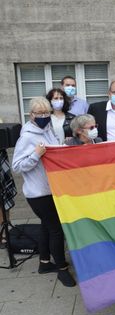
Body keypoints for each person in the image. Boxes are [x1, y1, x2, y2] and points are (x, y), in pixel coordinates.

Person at [12, 97, 76, 287]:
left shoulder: (47, 130)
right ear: (31, 115)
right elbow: (16, 166)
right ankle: (62, 269)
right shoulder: (27, 137)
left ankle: (45, 262)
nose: (43, 116)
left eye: (46, 113)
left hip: (51, 188)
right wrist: (35, 155)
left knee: (46, 227)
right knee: (56, 229)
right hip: (38, 193)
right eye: (39, 113)